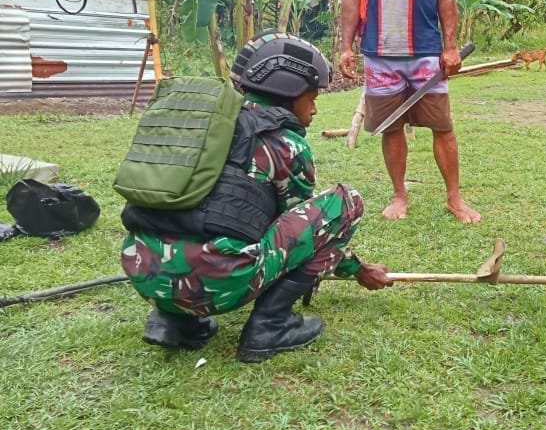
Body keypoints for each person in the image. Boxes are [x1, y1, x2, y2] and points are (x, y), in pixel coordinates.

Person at [120, 31, 393, 363]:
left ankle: (173, 321)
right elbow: (308, 234)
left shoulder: (201, 125)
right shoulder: (285, 144)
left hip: (143, 273)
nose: (315, 109)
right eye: (311, 97)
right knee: (346, 203)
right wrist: (357, 269)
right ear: (289, 91)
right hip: (218, 285)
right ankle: (271, 325)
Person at [338, 0, 480, 224]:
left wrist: (451, 46)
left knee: (442, 126)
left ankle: (455, 197)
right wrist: (345, 46)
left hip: (426, 52)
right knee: (391, 126)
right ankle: (399, 194)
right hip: (380, 52)